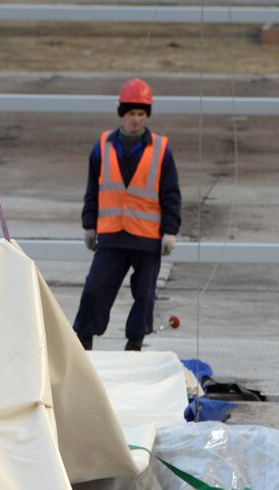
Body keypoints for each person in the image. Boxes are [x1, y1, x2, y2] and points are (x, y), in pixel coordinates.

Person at [75, 78, 182, 351]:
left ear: (147, 116)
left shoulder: (161, 149)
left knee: (144, 296)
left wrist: (170, 231)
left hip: (146, 238)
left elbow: (170, 194)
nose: (136, 119)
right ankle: (82, 342)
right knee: (94, 290)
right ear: (122, 113)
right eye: (132, 114)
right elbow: (93, 190)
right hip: (112, 234)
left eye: (141, 114)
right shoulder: (103, 146)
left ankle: (134, 345)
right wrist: (89, 225)